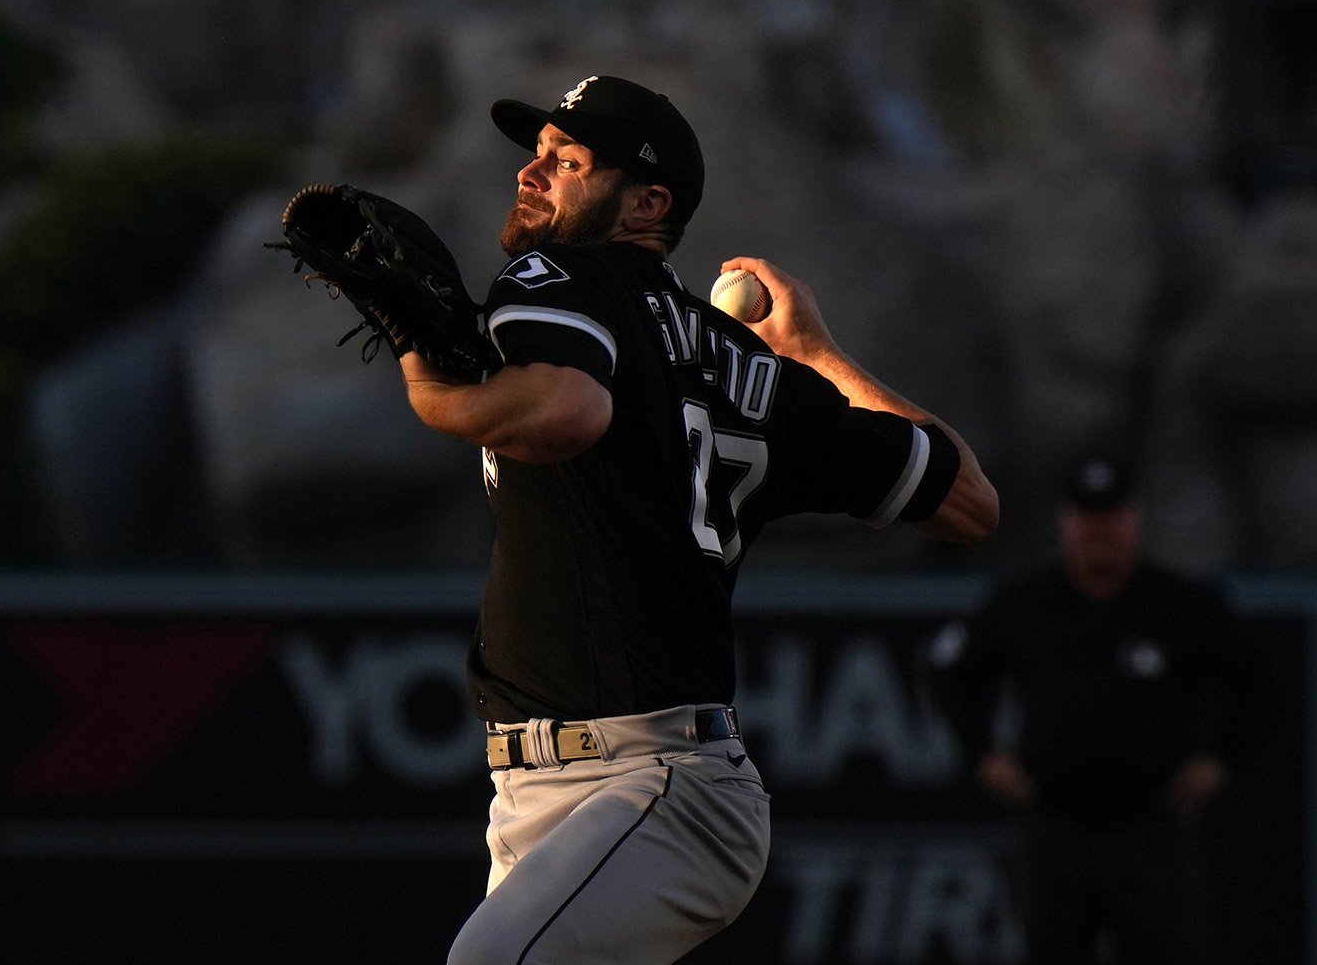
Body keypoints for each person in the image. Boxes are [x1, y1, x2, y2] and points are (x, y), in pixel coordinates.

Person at [396, 74, 1000, 965]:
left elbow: (567, 411)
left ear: (647, 203)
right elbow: (969, 502)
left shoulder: (562, 274)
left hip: (649, 784)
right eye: (537, 154)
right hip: (577, 799)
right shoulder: (755, 375)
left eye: (568, 160)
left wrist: (426, 381)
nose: (533, 173)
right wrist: (818, 358)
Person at [928, 452, 1260, 965]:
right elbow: (951, 671)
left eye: (1110, 518)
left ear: (1135, 521)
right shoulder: (1026, 603)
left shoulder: (1180, 604)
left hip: (1151, 828)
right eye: (1086, 518)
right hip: (1055, 827)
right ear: (1066, 523)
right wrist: (982, 754)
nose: (1098, 531)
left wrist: (1221, 757)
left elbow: (1256, 680)